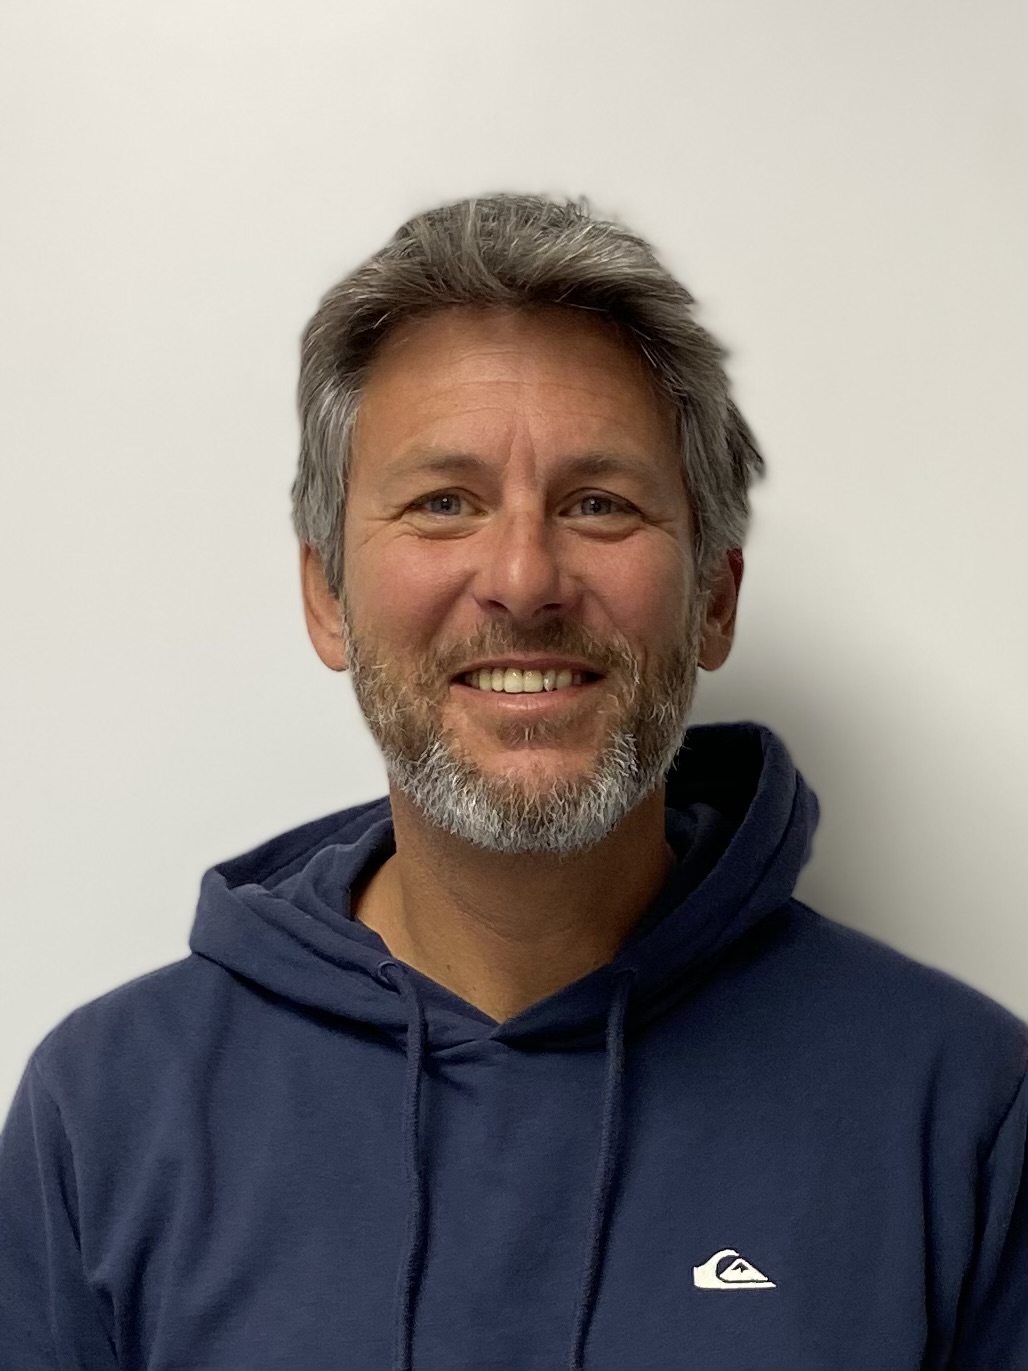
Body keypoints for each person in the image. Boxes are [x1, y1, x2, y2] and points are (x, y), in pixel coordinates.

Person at [1, 193, 1025, 1371]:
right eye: (443, 504)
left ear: (714, 598)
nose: (524, 578)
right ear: (327, 597)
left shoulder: (960, 1110)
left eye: (598, 504)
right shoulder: (107, 1115)